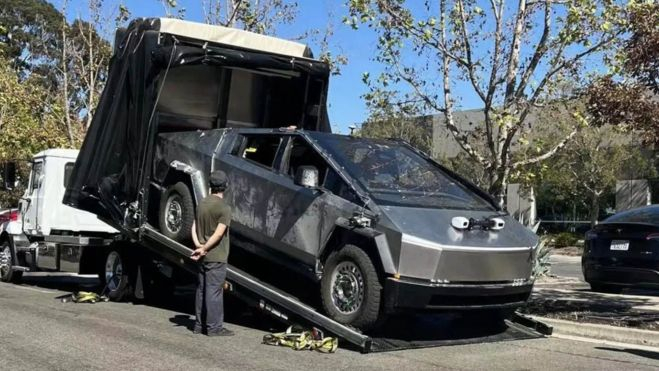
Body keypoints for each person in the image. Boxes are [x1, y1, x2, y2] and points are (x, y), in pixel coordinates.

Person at [190, 170, 234, 336]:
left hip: (202, 255)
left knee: (201, 290)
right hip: (216, 256)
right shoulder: (224, 208)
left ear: (210, 186)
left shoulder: (201, 204)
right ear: (225, 187)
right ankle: (214, 328)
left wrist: (198, 246)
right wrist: (206, 248)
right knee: (214, 291)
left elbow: (193, 227)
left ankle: (199, 326)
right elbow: (218, 233)